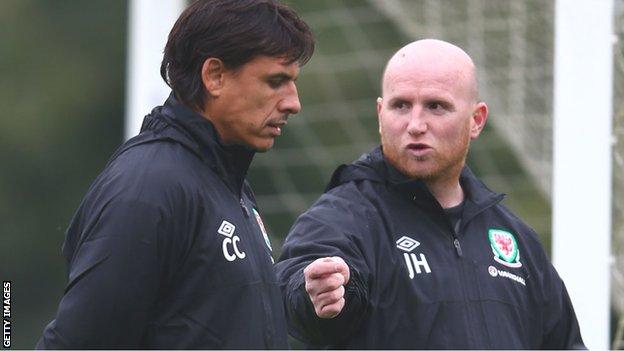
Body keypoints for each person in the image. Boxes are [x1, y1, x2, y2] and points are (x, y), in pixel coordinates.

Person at [37, 0, 314, 348]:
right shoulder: (149, 188)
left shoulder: (229, 186)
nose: (293, 102)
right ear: (214, 75)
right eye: (276, 81)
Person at [275, 39, 585, 349]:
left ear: (476, 120)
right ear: (381, 114)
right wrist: (318, 293)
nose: (416, 124)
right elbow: (296, 290)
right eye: (401, 106)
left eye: (436, 106)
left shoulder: (512, 237)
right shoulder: (344, 217)